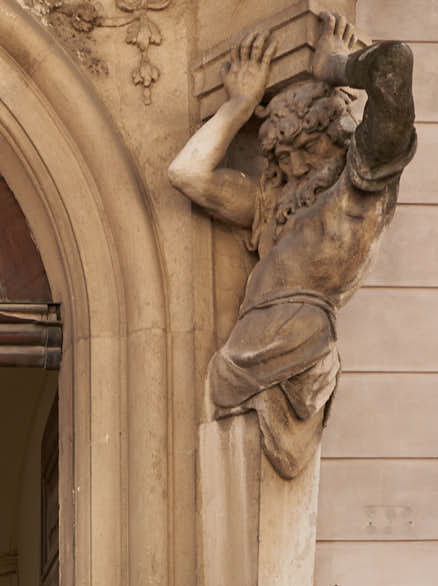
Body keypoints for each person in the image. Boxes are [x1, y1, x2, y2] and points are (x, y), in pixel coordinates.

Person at [167, 14, 415, 480]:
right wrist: (239, 105)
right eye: (283, 157)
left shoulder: (358, 188)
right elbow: (186, 174)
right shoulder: (273, 204)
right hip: (242, 350)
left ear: (338, 137)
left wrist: (332, 67)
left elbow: (395, 63)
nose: (296, 164)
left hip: (298, 343)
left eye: (307, 147)